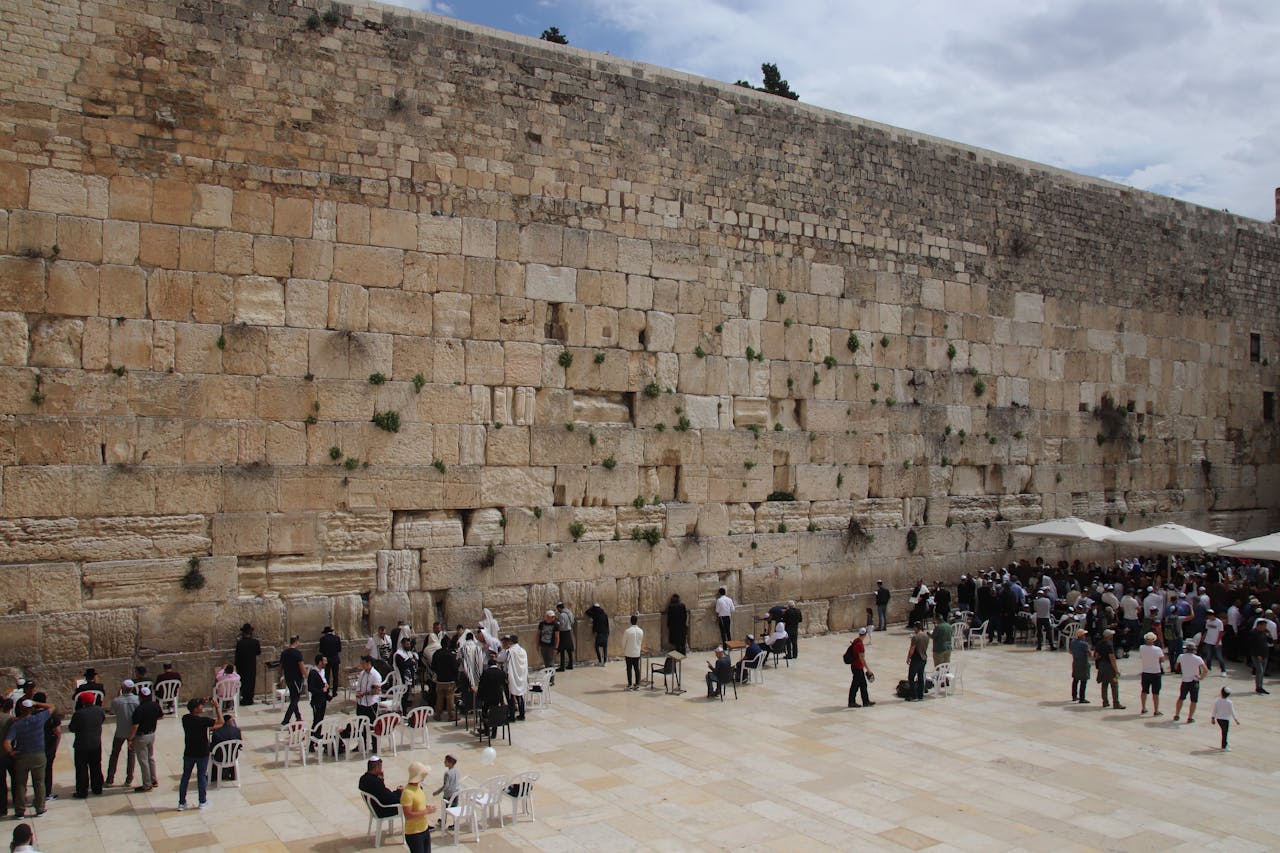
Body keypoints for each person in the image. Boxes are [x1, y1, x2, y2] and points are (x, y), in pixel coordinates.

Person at [5, 698, 54, 819]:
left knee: (20, 784)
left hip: (22, 756)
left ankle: (20, 811)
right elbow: (52, 707)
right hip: (38, 755)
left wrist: (11, 752)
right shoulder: (38, 719)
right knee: (39, 783)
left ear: (20, 709)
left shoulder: (16, 724)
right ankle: (40, 808)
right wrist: (37, 704)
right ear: (31, 709)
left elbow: (6, 742)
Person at [178, 698, 224, 811]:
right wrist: (217, 707)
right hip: (202, 753)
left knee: (185, 777)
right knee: (201, 776)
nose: (202, 708)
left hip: (189, 752)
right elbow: (221, 722)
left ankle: (181, 802)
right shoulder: (203, 721)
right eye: (200, 706)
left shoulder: (185, 719)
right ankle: (202, 801)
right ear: (195, 709)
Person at [68, 692, 105, 798]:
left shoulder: (79, 714)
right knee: (96, 766)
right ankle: (97, 788)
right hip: (96, 743)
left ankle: (82, 791)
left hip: (82, 745)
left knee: (81, 768)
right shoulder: (99, 710)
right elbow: (102, 720)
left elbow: (72, 728)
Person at [104, 679, 138, 788]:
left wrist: (118, 697)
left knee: (114, 754)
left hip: (120, 731)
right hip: (132, 732)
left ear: (122, 689)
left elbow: (112, 712)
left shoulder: (116, 701)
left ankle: (110, 779)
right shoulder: (137, 700)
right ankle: (129, 779)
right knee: (131, 755)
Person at [127, 687, 162, 791]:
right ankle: (153, 780)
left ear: (140, 697)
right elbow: (160, 716)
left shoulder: (139, 709)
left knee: (143, 761)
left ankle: (147, 785)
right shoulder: (155, 705)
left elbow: (135, 726)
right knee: (150, 757)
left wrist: (130, 739)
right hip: (151, 734)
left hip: (141, 737)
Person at [401, 761, 436, 853]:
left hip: (424, 829)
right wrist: (426, 811)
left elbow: (418, 805)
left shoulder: (418, 788)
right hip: (414, 833)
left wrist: (425, 807)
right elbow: (408, 815)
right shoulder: (407, 793)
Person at [1173, 645, 1208, 723]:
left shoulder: (1181, 656)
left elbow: (1176, 667)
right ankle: (1190, 717)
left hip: (1185, 680)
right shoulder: (1198, 658)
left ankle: (1177, 715)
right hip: (1194, 681)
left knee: (1181, 698)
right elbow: (1205, 670)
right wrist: (1201, 677)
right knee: (1193, 700)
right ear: (1194, 650)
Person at [355, 657, 383, 751]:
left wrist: (365, 694)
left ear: (369, 663)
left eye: (363, 663)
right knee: (360, 725)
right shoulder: (362, 674)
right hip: (361, 703)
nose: (362, 665)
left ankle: (375, 746)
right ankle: (361, 745)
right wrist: (358, 693)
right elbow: (359, 686)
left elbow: (377, 691)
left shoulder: (376, 675)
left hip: (371, 704)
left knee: (373, 725)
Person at [477, 655, 508, 738]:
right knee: (495, 713)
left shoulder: (486, 672)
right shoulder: (501, 673)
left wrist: (479, 697)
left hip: (487, 697)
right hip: (497, 697)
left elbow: (481, 685)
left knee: (485, 712)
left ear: (489, 665)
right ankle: (494, 733)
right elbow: (504, 685)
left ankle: (487, 730)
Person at [1138, 632, 1167, 716]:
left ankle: (1143, 708)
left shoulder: (1142, 648)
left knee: (1144, 691)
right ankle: (1156, 710)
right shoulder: (1157, 649)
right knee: (1156, 693)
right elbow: (1162, 660)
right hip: (1155, 672)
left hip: (1145, 672)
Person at [845, 627, 876, 708]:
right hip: (857, 667)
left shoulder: (856, 640)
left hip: (855, 666)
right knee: (855, 685)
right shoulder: (860, 645)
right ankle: (851, 702)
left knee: (863, 684)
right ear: (865, 634)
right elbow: (861, 658)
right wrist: (868, 669)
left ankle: (866, 701)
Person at [1094, 629, 1124, 709]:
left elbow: (1096, 655)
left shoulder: (1099, 643)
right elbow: (1112, 657)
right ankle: (1116, 703)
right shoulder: (1109, 645)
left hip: (1102, 666)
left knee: (1104, 684)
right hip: (1109, 667)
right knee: (1114, 685)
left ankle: (1105, 702)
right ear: (1108, 636)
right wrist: (1116, 670)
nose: (1112, 636)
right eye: (1111, 635)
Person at [279, 636, 306, 726]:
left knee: (293, 697)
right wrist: (307, 676)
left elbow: (281, 666)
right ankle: (286, 720)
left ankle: (298, 716)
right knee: (295, 699)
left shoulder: (284, 653)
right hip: (296, 679)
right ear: (296, 642)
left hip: (288, 678)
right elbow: (301, 666)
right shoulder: (297, 653)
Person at [502, 635, 528, 720]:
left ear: (511, 641)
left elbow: (502, 659)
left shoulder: (510, 651)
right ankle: (522, 714)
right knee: (519, 695)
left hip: (512, 676)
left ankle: (512, 716)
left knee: (510, 696)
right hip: (521, 675)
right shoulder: (523, 651)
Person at [430, 645, 457, 722]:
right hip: (449, 681)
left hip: (440, 680)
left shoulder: (436, 653)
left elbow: (433, 666)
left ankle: (437, 715)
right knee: (450, 699)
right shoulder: (451, 655)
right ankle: (451, 716)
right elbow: (454, 667)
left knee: (439, 698)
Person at [210, 714, 241, 781]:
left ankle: (213, 776)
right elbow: (239, 745)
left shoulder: (216, 732)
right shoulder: (237, 730)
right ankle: (233, 775)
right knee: (231, 751)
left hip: (220, 758)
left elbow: (213, 748)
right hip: (233, 757)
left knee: (212, 755)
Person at [308, 655, 329, 744]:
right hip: (316, 701)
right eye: (325, 661)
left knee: (320, 719)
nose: (326, 662)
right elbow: (311, 688)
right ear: (320, 662)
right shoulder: (313, 673)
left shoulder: (323, 671)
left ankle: (317, 736)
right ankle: (311, 741)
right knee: (316, 720)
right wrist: (322, 690)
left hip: (323, 700)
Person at [1247, 619, 1271, 694]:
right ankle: (1258, 687)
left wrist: (1269, 634)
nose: (1265, 627)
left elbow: (1269, 641)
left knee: (1262, 671)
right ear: (1259, 626)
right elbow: (1253, 645)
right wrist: (1258, 655)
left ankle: (1261, 686)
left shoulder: (1264, 633)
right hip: (1256, 655)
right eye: (1264, 626)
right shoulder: (1253, 633)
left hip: (1265, 654)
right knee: (1259, 670)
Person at [1200, 610, 1227, 676]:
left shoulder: (1219, 622)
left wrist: (1217, 642)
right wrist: (1203, 637)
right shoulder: (1208, 621)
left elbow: (1221, 633)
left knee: (1219, 657)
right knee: (1208, 656)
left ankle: (1223, 670)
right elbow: (1207, 630)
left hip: (1216, 642)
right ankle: (1209, 668)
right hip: (1208, 641)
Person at [318, 627, 342, 699]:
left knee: (326, 676)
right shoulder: (337, 638)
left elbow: (321, 650)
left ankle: (327, 691)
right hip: (335, 659)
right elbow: (339, 649)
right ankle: (334, 692)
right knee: (335, 676)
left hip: (327, 660)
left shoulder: (322, 639)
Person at [906, 622, 928, 701]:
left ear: (916, 628)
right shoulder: (926, 636)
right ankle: (920, 695)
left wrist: (908, 658)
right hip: (924, 658)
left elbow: (912, 649)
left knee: (911, 677)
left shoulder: (915, 637)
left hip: (916, 659)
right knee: (920, 677)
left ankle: (913, 696)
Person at [1069, 629, 1092, 703]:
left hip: (1075, 661)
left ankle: (1074, 696)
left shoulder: (1072, 642)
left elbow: (1070, 651)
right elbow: (1089, 654)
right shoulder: (1084, 644)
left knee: (1075, 679)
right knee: (1083, 680)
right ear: (1081, 636)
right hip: (1083, 662)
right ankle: (1082, 698)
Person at [623, 615, 644, 691]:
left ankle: (630, 684)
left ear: (630, 621)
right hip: (636, 653)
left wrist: (624, 649)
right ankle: (637, 684)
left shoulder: (627, 631)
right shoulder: (641, 631)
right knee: (636, 669)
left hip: (628, 653)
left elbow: (623, 643)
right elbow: (640, 642)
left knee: (629, 669)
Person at [555, 603, 576, 671]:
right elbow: (572, 622)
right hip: (568, 632)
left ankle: (562, 666)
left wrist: (557, 622)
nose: (557, 610)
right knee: (569, 649)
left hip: (563, 633)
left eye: (558, 609)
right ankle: (570, 664)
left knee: (562, 650)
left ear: (559, 608)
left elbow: (562, 625)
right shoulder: (569, 612)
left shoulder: (562, 615)